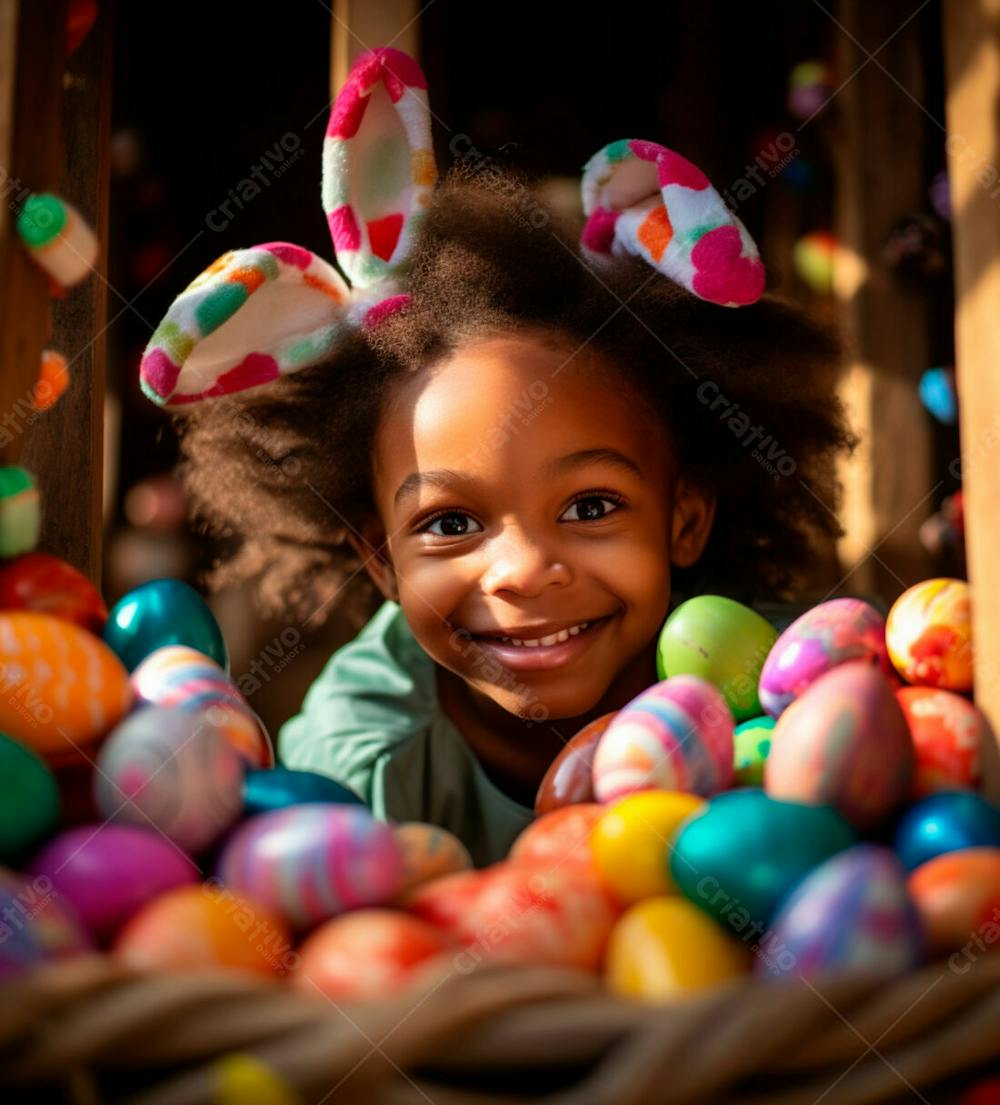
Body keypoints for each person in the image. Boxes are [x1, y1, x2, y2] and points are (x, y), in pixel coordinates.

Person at [139, 48, 856, 866]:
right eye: (450, 521)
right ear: (380, 558)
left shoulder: (781, 703)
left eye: (590, 506)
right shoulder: (362, 765)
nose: (522, 569)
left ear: (684, 519)